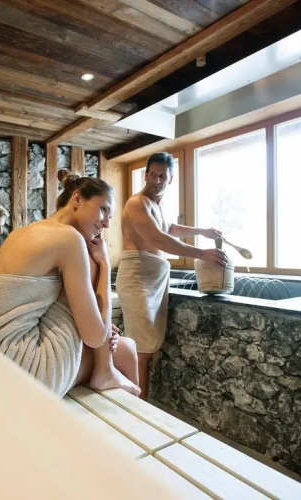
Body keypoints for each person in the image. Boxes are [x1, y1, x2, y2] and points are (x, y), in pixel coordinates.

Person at [0, 171, 140, 398]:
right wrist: (105, 264)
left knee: (126, 347)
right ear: (77, 199)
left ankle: (106, 369)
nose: (107, 223)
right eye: (104, 209)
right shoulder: (70, 239)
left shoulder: (23, 232)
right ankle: (105, 371)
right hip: (21, 370)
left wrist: (101, 323)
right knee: (126, 349)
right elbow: (96, 337)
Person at [117, 152, 228, 399]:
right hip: (137, 277)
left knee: (148, 347)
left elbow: (169, 228)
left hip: (155, 280)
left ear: (170, 178)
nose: (157, 180)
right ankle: (137, 409)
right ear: (146, 175)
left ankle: (138, 402)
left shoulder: (159, 206)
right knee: (141, 348)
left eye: (162, 176)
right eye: (153, 175)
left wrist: (202, 231)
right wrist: (202, 253)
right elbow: (158, 238)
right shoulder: (137, 203)